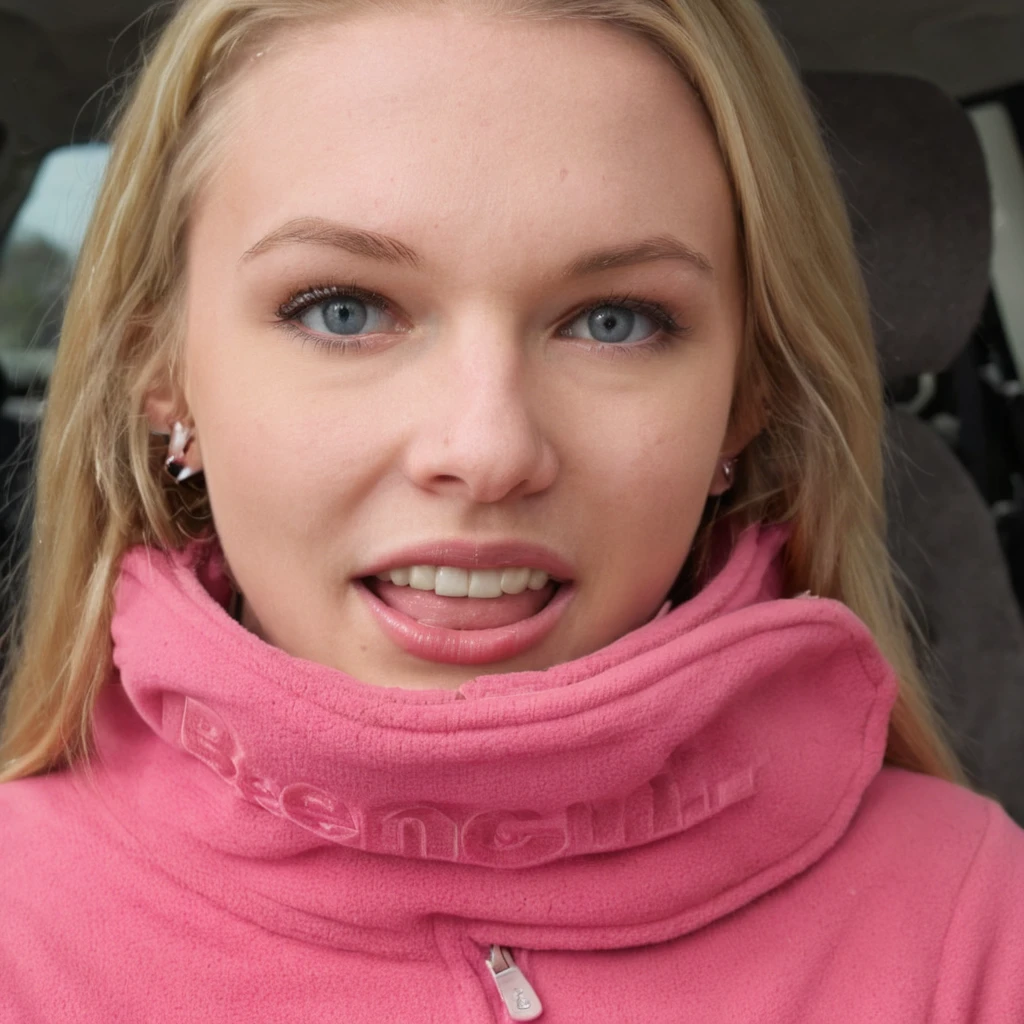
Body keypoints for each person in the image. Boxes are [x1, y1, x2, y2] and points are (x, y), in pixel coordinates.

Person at [1, 0, 1021, 1019]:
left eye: (614, 322)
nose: (486, 452)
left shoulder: (975, 922)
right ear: (160, 367)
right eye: (342, 310)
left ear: (743, 398)